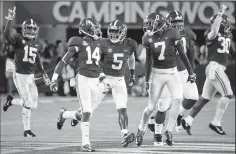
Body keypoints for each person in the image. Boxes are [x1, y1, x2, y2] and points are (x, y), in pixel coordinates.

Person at [65, 19, 137, 148]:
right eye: (112, 32)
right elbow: (88, 58)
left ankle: (124, 136)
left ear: (123, 33)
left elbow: (131, 57)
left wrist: (132, 73)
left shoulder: (130, 44)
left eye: (117, 32)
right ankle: (67, 114)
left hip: (119, 80)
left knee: (122, 108)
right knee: (88, 111)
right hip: (103, 79)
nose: (114, 35)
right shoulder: (101, 43)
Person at [135, 12, 196, 147]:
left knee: (178, 99)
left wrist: (190, 72)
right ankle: (141, 129)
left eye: (151, 25)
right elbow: (148, 62)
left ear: (160, 24)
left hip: (173, 73)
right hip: (157, 74)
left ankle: (168, 131)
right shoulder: (148, 38)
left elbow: (183, 55)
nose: (149, 28)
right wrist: (146, 79)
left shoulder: (173, 33)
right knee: (155, 107)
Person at [50, 18, 102, 152]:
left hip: (95, 80)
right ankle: (85, 143)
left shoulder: (99, 43)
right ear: (88, 29)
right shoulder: (78, 43)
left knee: (84, 113)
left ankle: (65, 114)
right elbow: (63, 62)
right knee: (87, 112)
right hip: (83, 79)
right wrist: (54, 78)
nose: (97, 30)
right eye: (95, 28)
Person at [181, 5, 235, 136]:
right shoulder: (211, 34)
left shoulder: (228, 35)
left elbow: (231, 51)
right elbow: (215, 30)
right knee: (228, 94)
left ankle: (188, 119)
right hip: (215, 67)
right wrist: (220, 13)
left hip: (216, 68)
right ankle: (216, 122)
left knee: (205, 98)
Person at [3, 7, 50, 137]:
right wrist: (9, 20)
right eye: (28, 28)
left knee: (33, 105)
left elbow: (37, 60)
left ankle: (11, 101)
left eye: (33, 29)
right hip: (19, 76)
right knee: (28, 102)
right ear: (23, 29)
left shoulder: (38, 44)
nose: (31, 31)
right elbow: (7, 36)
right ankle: (27, 130)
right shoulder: (18, 38)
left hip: (30, 77)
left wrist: (44, 73)